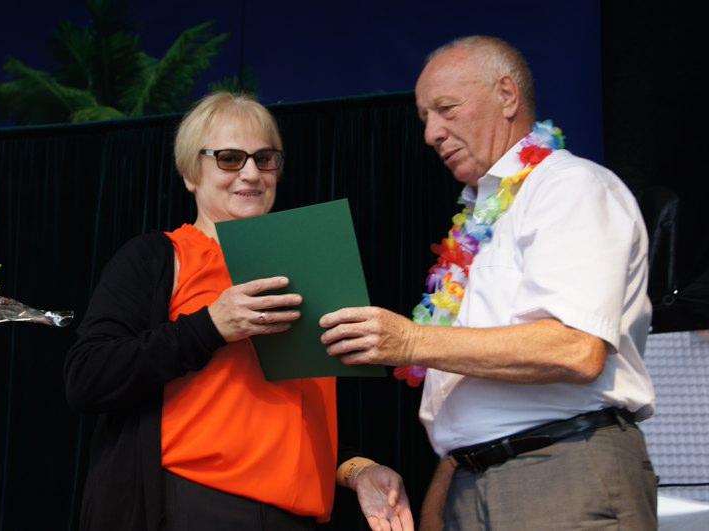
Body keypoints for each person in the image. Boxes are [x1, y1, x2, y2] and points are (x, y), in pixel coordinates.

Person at [319, 36, 657, 530]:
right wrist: (442, 499)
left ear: (506, 95)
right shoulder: (479, 223)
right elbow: (475, 400)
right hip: (470, 484)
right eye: (425, 118)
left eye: (446, 109)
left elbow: (575, 349)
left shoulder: (569, 187)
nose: (431, 133)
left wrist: (408, 340)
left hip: (563, 471)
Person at [65, 91, 414, 531]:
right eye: (229, 159)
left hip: (297, 520)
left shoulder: (306, 266)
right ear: (190, 173)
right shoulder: (160, 256)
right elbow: (86, 376)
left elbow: (287, 422)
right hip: (194, 508)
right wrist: (211, 325)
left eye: (265, 159)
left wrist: (358, 470)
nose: (251, 173)